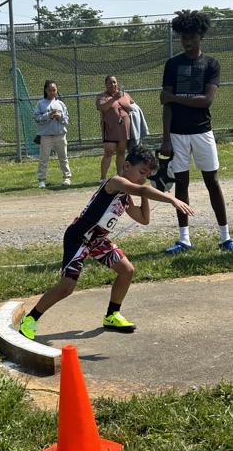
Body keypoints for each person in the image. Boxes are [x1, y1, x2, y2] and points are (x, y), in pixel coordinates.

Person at [19, 146, 194, 339]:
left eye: (147, 175)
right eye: (141, 172)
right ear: (127, 166)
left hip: (97, 240)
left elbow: (144, 219)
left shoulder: (126, 198)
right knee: (67, 287)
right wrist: (171, 199)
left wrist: (145, 196)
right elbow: (142, 188)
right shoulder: (115, 182)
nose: (144, 178)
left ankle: (112, 315)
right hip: (79, 237)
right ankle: (30, 319)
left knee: (127, 271)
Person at [160, 9, 233, 253]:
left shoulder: (211, 63)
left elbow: (206, 101)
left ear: (201, 36)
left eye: (191, 36)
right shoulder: (172, 64)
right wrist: (166, 138)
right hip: (177, 134)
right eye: (183, 37)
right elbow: (166, 106)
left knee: (212, 181)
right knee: (181, 184)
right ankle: (184, 239)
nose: (187, 41)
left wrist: (173, 97)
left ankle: (225, 237)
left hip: (203, 131)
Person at [96, 76, 135, 184]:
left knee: (121, 152)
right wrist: (114, 98)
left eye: (114, 82)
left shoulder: (125, 94)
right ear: (106, 84)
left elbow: (132, 105)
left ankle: (120, 175)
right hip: (110, 129)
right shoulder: (102, 96)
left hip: (123, 128)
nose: (113, 84)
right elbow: (102, 107)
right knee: (109, 152)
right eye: (110, 83)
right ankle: (103, 178)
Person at [33, 80, 72, 188]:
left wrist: (60, 117)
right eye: (50, 90)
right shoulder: (40, 103)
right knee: (43, 158)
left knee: (63, 157)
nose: (52, 92)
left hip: (60, 135)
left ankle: (67, 177)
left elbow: (66, 120)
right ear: (46, 90)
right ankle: (41, 180)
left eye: (54, 90)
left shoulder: (61, 104)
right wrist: (48, 115)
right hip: (46, 136)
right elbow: (36, 118)